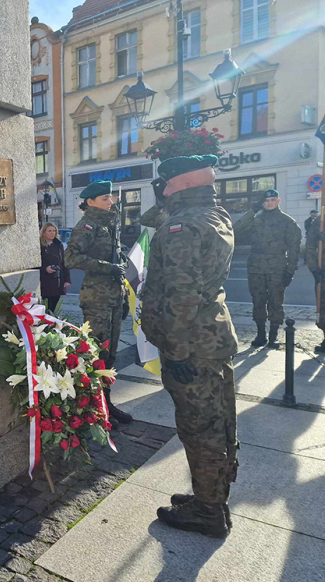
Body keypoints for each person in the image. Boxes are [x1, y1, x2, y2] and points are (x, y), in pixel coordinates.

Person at [141, 155, 238, 538]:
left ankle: (208, 511)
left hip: (191, 344)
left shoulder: (181, 229)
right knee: (218, 420)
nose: (161, 190)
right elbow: (156, 220)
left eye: (165, 184)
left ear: (179, 186)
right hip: (212, 337)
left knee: (200, 428)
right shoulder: (215, 216)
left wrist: (177, 351)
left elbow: (182, 294)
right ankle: (211, 495)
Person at [63, 180, 133, 426]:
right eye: (105, 199)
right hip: (97, 299)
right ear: (90, 202)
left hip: (114, 297)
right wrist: (107, 267)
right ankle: (92, 406)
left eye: (111, 198)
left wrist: (123, 288)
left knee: (110, 356)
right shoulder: (88, 226)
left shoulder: (109, 224)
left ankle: (105, 403)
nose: (110, 202)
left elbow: (116, 257)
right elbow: (70, 257)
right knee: (97, 354)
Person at [233, 189, 301, 348]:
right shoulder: (255, 219)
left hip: (278, 267)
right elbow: (235, 230)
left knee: (276, 302)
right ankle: (261, 334)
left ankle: (273, 336)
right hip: (256, 267)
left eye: (272, 200)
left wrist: (290, 270)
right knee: (258, 301)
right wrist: (252, 211)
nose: (269, 203)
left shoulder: (287, 222)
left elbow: (294, 249)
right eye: (266, 200)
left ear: (278, 201)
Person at [39, 222, 71, 313]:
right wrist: (45, 268)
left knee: (54, 306)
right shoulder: (39, 245)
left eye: (54, 231)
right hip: (45, 280)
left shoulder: (59, 245)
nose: (52, 233)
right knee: (46, 306)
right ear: (44, 232)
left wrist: (67, 279)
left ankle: (52, 324)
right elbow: (35, 264)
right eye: (49, 231)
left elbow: (64, 262)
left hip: (57, 279)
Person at [305, 222, 325, 352]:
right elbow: (310, 247)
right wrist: (314, 268)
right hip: (323, 270)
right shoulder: (320, 221)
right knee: (322, 306)